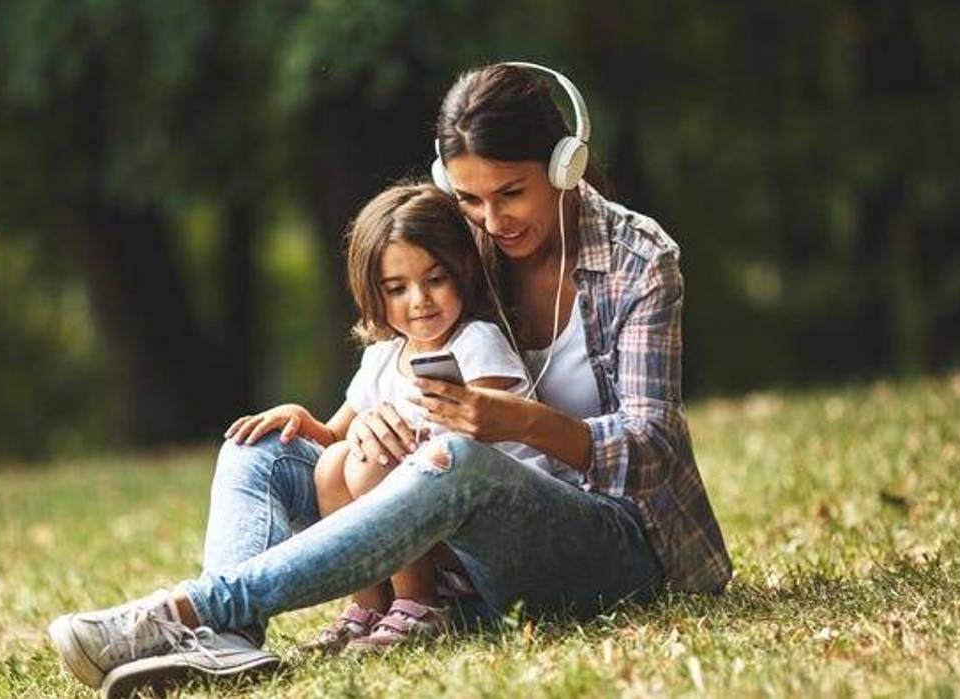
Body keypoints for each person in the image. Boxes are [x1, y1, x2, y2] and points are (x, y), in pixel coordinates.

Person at [47, 62, 731, 699]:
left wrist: (514, 421)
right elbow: (395, 357)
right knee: (259, 449)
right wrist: (362, 423)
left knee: (458, 459)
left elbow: (652, 446)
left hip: (609, 545)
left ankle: (191, 608)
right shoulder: (461, 252)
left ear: (564, 163)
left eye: (511, 193)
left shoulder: (640, 261)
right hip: (462, 550)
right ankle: (229, 642)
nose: (493, 222)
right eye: (469, 199)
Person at [223, 182, 546, 653]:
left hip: (483, 521)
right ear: (373, 292)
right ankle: (371, 603)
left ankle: (420, 604)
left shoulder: (477, 342)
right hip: (427, 531)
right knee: (335, 462)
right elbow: (333, 435)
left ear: (462, 272)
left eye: (435, 279)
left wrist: (395, 444)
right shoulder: (382, 357)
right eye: (397, 288)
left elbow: (474, 444)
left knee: (374, 459)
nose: (419, 300)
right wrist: (299, 418)